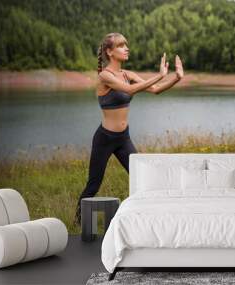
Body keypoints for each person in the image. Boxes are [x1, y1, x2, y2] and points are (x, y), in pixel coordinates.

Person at [74, 32, 184, 224]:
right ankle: (77, 220)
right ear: (109, 52)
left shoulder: (128, 74)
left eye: (126, 45)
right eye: (121, 46)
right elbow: (130, 90)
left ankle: (145, 218)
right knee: (94, 184)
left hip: (123, 139)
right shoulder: (104, 76)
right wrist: (159, 75)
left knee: (140, 177)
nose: (127, 48)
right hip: (105, 138)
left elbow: (155, 90)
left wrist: (176, 78)